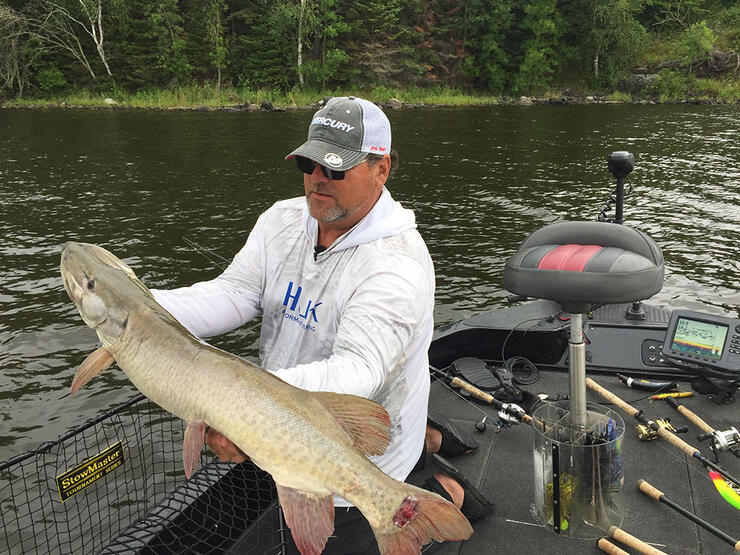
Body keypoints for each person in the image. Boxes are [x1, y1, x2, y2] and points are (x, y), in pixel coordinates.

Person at [151, 96, 491, 553]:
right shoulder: (281, 221)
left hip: (360, 454)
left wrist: (236, 404)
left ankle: (442, 490)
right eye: (309, 164)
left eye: (335, 168)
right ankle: (440, 474)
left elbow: (359, 371)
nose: (317, 179)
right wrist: (138, 306)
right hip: (283, 430)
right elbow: (234, 293)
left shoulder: (397, 266)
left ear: (381, 168)